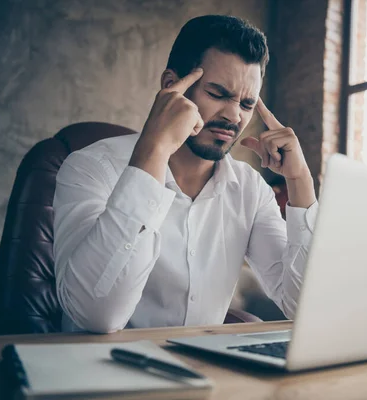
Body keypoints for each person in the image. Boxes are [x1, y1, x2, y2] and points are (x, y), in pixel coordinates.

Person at [53, 15, 318, 333]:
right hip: (99, 375)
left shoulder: (250, 190)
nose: (233, 115)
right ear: (171, 86)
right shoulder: (92, 167)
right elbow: (97, 316)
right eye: (218, 93)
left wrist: (300, 180)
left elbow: (304, 305)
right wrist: (153, 150)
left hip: (207, 375)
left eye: (246, 104)